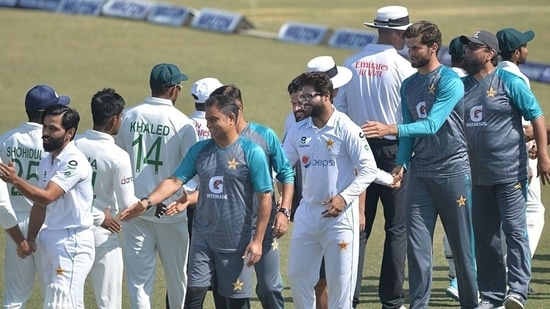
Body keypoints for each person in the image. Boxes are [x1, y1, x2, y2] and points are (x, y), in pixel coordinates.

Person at [363, 21, 479, 309]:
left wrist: (388, 129)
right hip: (420, 175)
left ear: (433, 48)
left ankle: (471, 304)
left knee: (463, 251)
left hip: (452, 172)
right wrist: (400, 164)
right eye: (409, 46)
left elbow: (430, 125)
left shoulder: (450, 81)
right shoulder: (409, 84)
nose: (410, 52)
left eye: (416, 48)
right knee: (417, 251)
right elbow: (408, 127)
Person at [124, 94, 273, 309]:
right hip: (203, 238)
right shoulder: (200, 150)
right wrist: (146, 202)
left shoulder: (252, 153)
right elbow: (175, 181)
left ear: (231, 118)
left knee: (234, 302)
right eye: (207, 119)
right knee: (194, 291)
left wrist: (257, 240)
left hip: (236, 242)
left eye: (214, 119)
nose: (208, 125)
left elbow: (265, 197)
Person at [460, 29, 550, 309]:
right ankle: (492, 295)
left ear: (489, 53)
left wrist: (544, 156)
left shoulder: (509, 80)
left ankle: (518, 292)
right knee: (486, 239)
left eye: (473, 47)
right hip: (476, 176)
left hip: (510, 173)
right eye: (466, 47)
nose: (466, 52)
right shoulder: (460, 87)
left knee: (514, 232)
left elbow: (536, 116)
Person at [333, 5, 416, 309]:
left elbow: (339, 109)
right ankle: (392, 301)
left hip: (358, 149)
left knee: (359, 227)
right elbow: (412, 115)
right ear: (398, 33)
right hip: (395, 151)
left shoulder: (352, 62)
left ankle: (349, 299)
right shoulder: (403, 67)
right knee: (396, 228)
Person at [283, 71, 378, 309]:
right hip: (307, 215)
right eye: (301, 97)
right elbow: (283, 166)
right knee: (297, 276)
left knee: (340, 286)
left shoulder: (346, 127)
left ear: (326, 96)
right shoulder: (299, 130)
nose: (302, 102)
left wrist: (344, 198)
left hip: (339, 219)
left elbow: (369, 169)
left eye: (308, 97)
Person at [115, 63, 198, 309]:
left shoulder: (129, 115)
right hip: (170, 211)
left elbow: (120, 160)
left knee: (139, 281)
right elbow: (191, 171)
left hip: (135, 209)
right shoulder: (183, 123)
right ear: (174, 90)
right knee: (177, 278)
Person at [0, 104, 95, 309]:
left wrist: (15, 180)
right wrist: (32, 238)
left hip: (72, 240)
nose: (45, 133)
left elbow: (47, 197)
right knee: (67, 301)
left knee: (59, 300)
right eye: (45, 127)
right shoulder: (47, 160)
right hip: (50, 236)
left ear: (69, 133)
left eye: (53, 129)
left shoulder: (74, 161)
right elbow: (39, 205)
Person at [210, 84, 295, 309]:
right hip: (229, 231)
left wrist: (284, 211)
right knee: (236, 293)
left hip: (264, 228)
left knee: (269, 287)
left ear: (237, 107)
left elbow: (286, 172)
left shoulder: (264, 135)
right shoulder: (215, 141)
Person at [0, 84, 70, 308]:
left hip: (15, 223)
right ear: (46, 114)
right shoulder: (56, 142)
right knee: (59, 292)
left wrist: (20, 240)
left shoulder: (6, 139)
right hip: (50, 224)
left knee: (15, 296)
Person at [74, 88, 139, 308]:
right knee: (109, 302)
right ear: (114, 120)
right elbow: (127, 205)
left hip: (72, 230)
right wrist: (153, 203)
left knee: (71, 299)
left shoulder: (73, 145)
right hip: (103, 235)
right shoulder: (118, 156)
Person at [496, 28, 545, 272]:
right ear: (516, 52)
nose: (527, 49)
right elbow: (525, 128)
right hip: (518, 157)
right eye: (524, 46)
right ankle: (513, 270)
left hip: (496, 155)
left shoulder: (492, 73)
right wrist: (540, 140)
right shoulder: (517, 78)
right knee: (533, 212)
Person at [441, 35, 467, 302]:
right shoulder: (469, 83)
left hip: (429, 161)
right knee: (467, 223)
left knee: (448, 223)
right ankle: (461, 281)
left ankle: (453, 276)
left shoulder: (437, 77)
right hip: (462, 162)